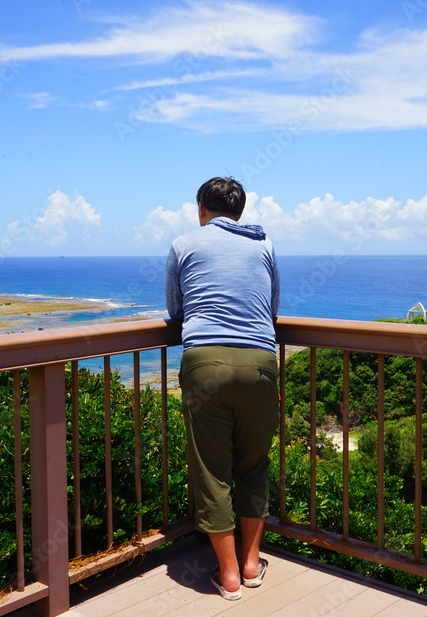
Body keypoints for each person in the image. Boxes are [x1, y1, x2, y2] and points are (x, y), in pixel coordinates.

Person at [166, 176, 280, 601]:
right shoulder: (264, 246)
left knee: (212, 471)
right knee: (253, 465)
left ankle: (229, 576)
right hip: (260, 363)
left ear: (201, 210)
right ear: (240, 212)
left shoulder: (184, 245)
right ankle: (252, 565)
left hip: (204, 362)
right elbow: (271, 308)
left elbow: (176, 309)